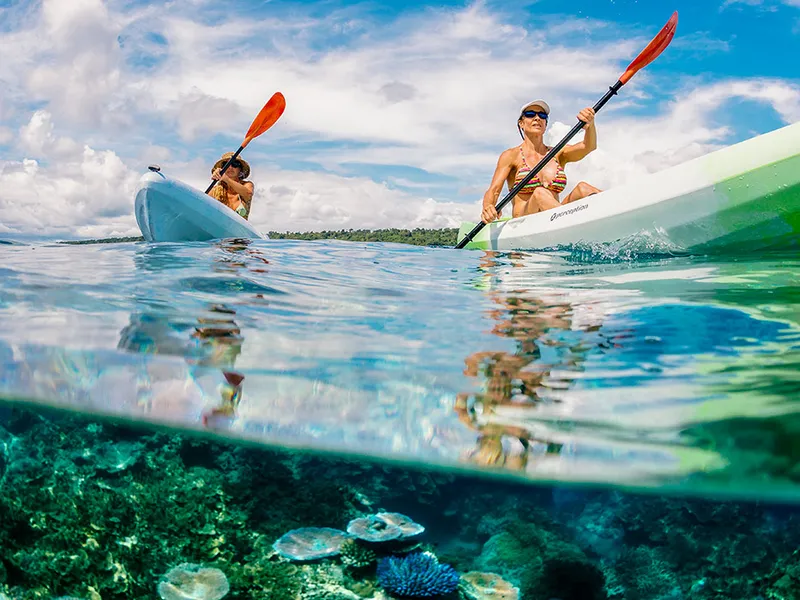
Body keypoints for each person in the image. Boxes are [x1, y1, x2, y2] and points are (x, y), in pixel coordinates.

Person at [480, 99, 602, 224]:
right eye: (530, 114)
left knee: (583, 188)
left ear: (545, 124)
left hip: (555, 218)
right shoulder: (511, 155)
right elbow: (494, 190)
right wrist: (488, 206)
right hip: (523, 223)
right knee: (539, 193)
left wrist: (590, 126)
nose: (537, 118)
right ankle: (575, 224)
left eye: (542, 116)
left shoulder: (558, 153)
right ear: (521, 123)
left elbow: (588, 146)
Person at [207, 152, 255, 220]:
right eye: (226, 164)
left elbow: (248, 194)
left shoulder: (247, 185)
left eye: (234, 164)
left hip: (239, 229)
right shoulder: (214, 191)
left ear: (240, 169)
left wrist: (226, 179)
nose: (230, 167)